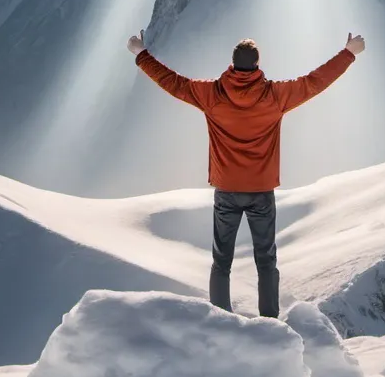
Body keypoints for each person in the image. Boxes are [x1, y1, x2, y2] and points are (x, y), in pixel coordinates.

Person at [126, 31, 366, 318]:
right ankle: (270, 320)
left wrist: (141, 53)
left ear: (232, 64)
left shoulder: (212, 95)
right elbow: (315, 82)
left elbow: (172, 82)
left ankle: (221, 319)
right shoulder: (276, 96)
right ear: (257, 65)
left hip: (226, 191)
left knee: (221, 261)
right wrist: (348, 52)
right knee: (266, 260)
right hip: (261, 191)